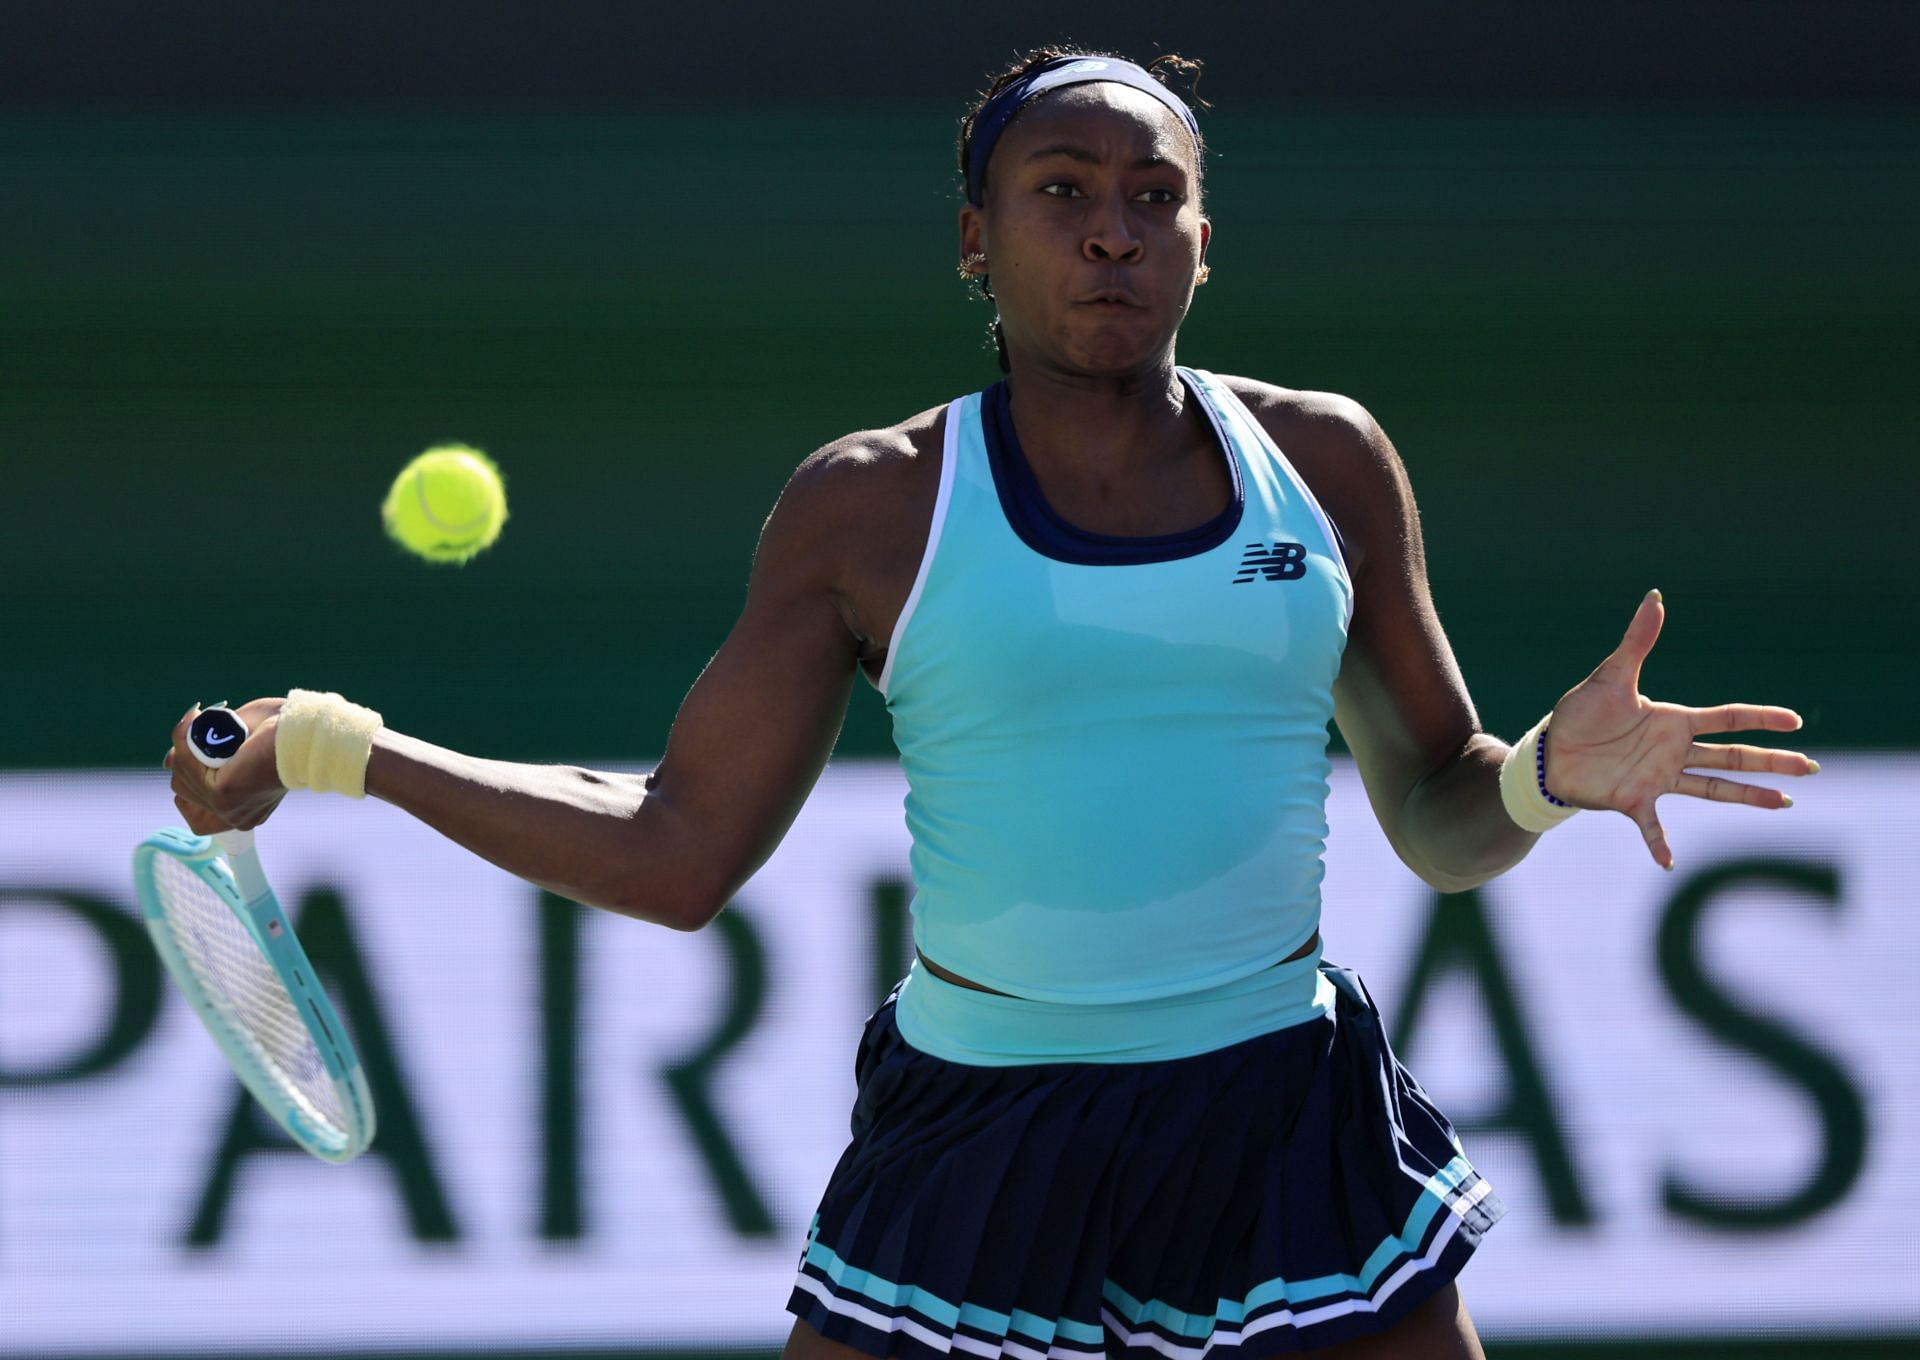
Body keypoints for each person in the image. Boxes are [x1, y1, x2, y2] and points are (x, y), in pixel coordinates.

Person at [165, 47, 1815, 1360]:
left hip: (1277, 1118)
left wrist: (1538, 776)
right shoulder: (870, 508)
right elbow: (676, 855)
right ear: (978, 239)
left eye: (1153, 194)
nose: (1111, 228)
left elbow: (1444, 818)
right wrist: (340, 749)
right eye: (1062, 190)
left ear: (1202, 240)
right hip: (978, 1139)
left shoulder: (1326, 464)